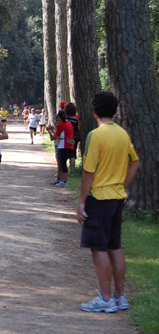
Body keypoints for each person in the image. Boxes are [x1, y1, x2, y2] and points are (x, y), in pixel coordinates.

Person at [76, 91, 139, 313]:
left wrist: (82, 202)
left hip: (99, 198)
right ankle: (120, 296)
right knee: (114, 246)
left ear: (94, 111)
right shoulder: (122, 134)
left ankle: (105, 298)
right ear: (114, 111)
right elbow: (134, 162)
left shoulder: (95, 135)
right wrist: (122, 184)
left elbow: (88, 172)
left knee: (98, 248)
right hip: (116, 197)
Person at [47, 110, 74, 187]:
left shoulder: (61, 125)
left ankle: (64, 180)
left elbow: (54, 137)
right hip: (69, 144)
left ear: (59, 117)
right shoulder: (69, 123)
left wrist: (50, 132)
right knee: (63, 163)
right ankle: (62, 179)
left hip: (63, 145)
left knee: (62, 163)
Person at [64, 102, 80, 174]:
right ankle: (72, 171)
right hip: (75, 137)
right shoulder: (76, 119)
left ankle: (64, 169)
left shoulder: (65, 119)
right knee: (73, 154)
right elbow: (79, 128)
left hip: (67, 137)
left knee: (65, 153)